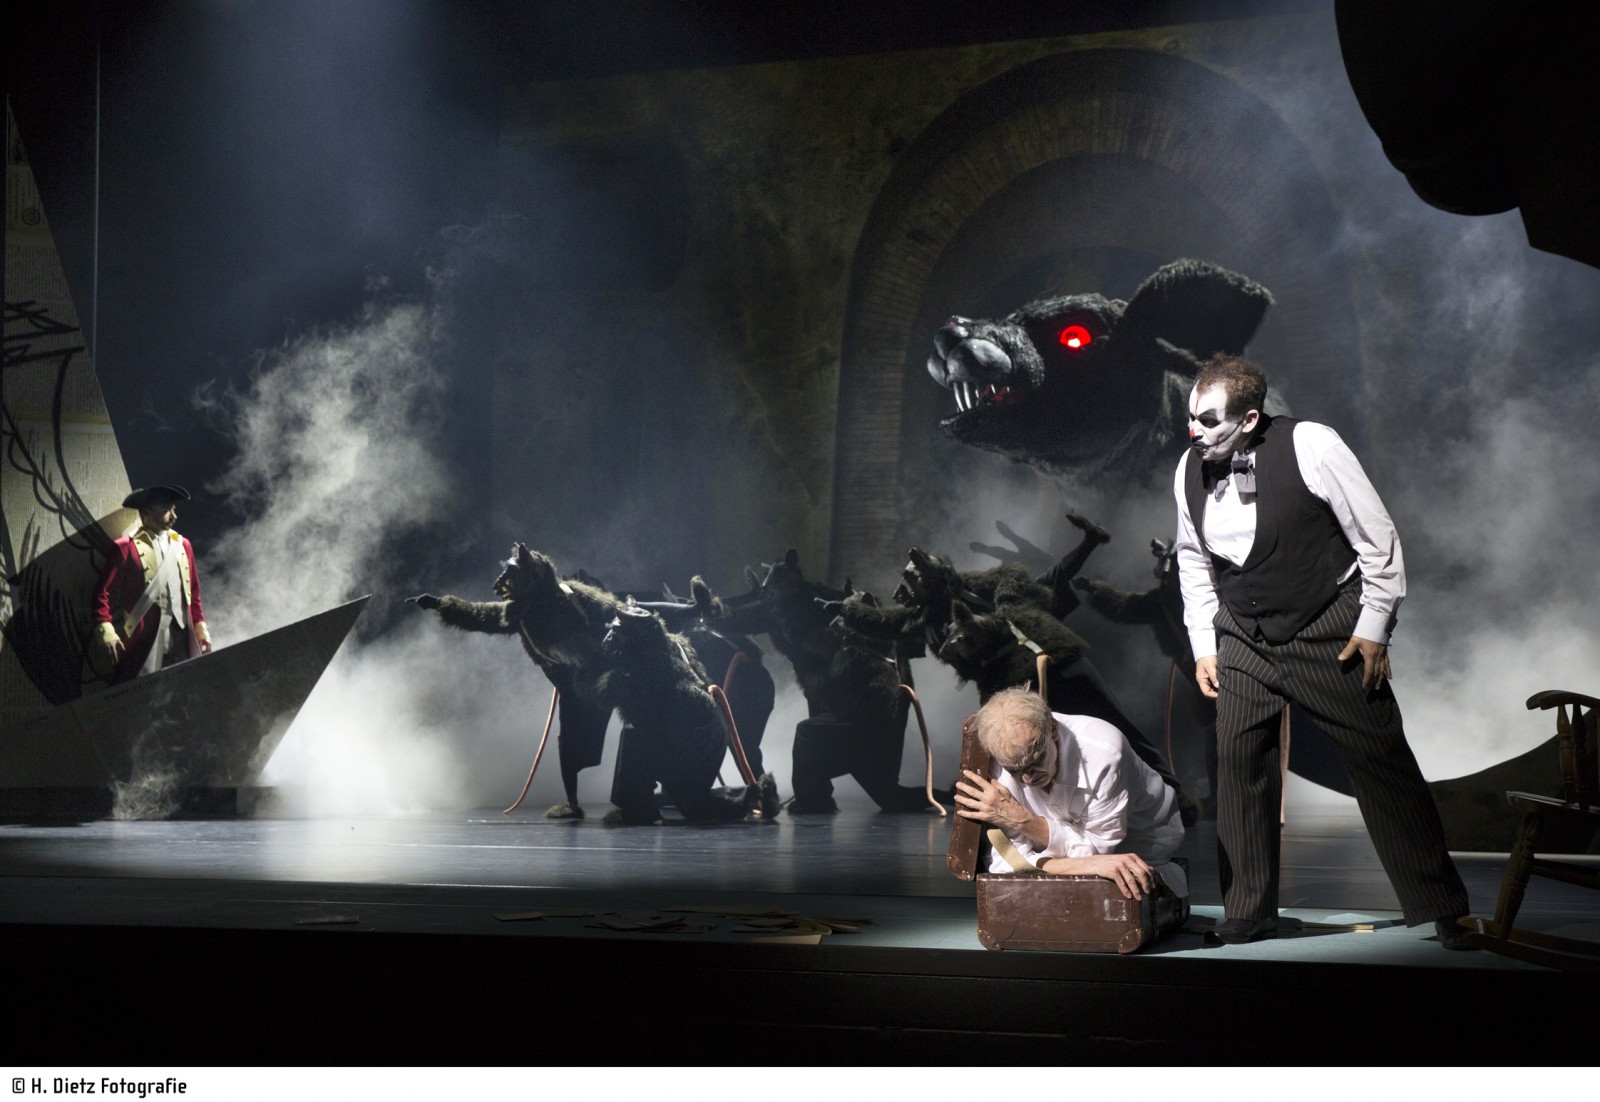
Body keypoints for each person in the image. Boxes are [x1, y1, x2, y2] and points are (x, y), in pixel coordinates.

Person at [1173, 354, 1470, 947]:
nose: (1193, 432)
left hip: (1326, 628)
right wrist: (1205, 642)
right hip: (1243, 636)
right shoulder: (1190, 467)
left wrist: (1375, 625)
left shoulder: (1312, 445)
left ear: (1251, 417)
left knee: (1380, 762)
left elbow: (1377, 536)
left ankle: (1443, 906)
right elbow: (1191, 556)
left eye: (1207, 420)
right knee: (1239, 767)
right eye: (1189, 418)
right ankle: (1249, 909)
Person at [954, 686, 1188, 903]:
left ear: (1053, 730)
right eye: (1015, 770)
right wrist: (1085, 864)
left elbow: (1098, 850)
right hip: (1085, 855)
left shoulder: (1104, 753)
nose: (1027, 778)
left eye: (1036, 762)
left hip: (1141, 842)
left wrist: (1022, 821)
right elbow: (1004, 863)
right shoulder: (998, 760)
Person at [91, 485, 212, 683]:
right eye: (167, 510)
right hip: (143, 637)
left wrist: (200, 628)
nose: (174, 516)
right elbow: (101, 594)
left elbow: (193, 594)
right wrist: (107, 632)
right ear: (146, 512)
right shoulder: (125, 547)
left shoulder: (183, 545)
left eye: (174, 509)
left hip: (181, 633)